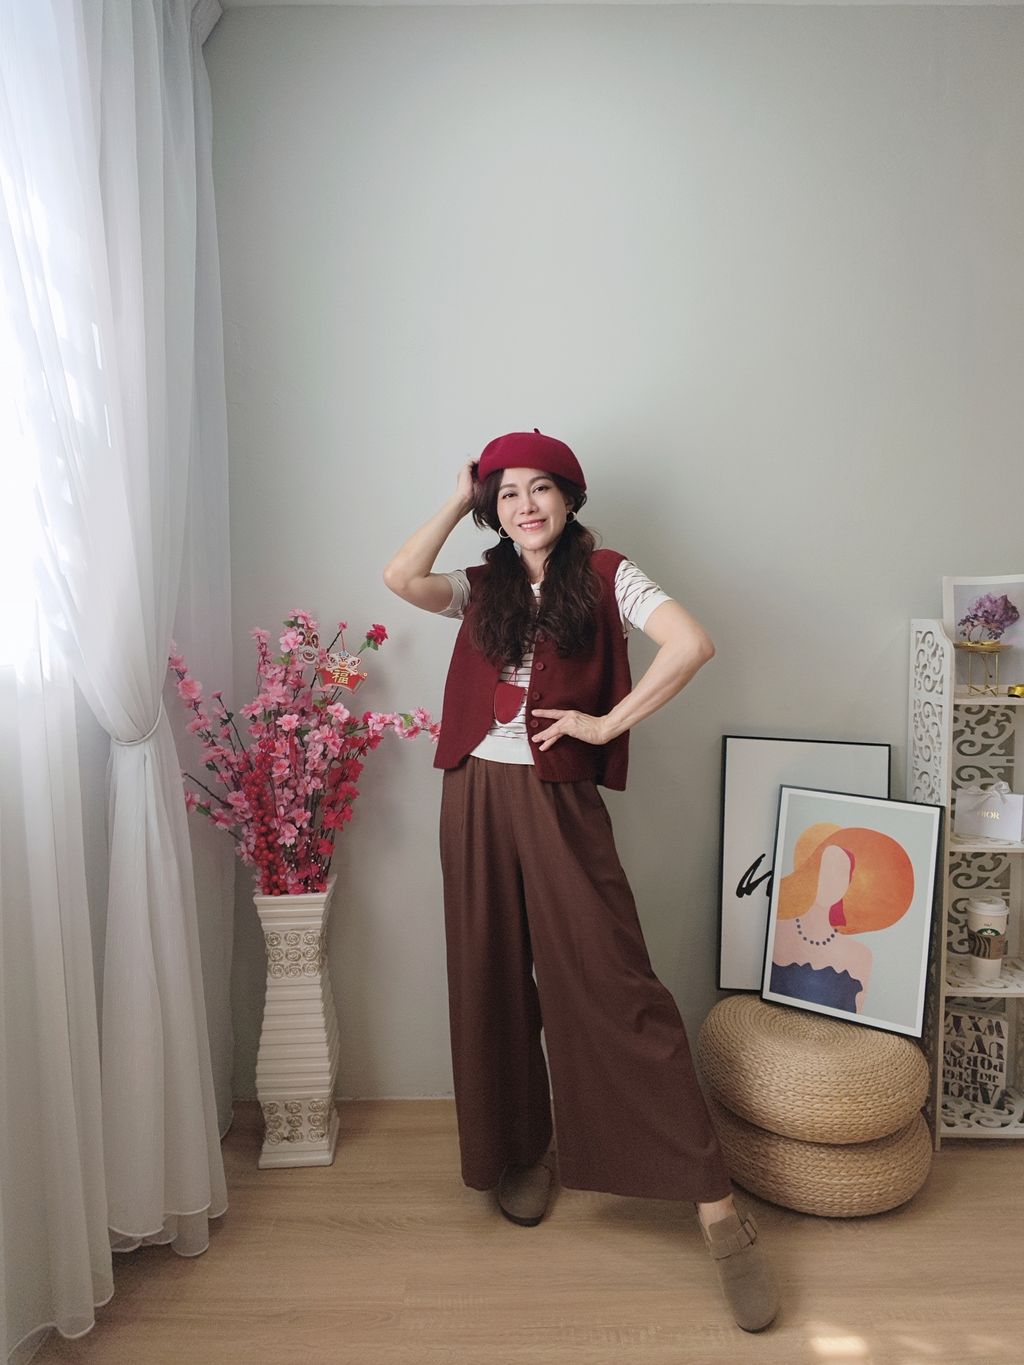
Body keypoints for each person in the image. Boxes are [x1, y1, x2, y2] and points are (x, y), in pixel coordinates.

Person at [383, 428, 778, 1332]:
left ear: (568, 497)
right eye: (506, 492)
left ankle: (717, 1209)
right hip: (471, 789)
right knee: (490, 971)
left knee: (614, 983)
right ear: (491, 508)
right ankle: (521, 1150)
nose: (524, 504)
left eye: (540, 488)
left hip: (556, 792)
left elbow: (691, 643)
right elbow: (401, 577)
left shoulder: (607, 575)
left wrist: (605, 724)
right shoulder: (480, 584)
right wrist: (458, 497)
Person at [771, 823, 915, 1014]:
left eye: (841, 871)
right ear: (808, 870)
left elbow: (856, 1016)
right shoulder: (777, 931)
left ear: (849, 881)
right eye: (826, 867)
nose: (832, 880)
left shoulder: (861, 956)